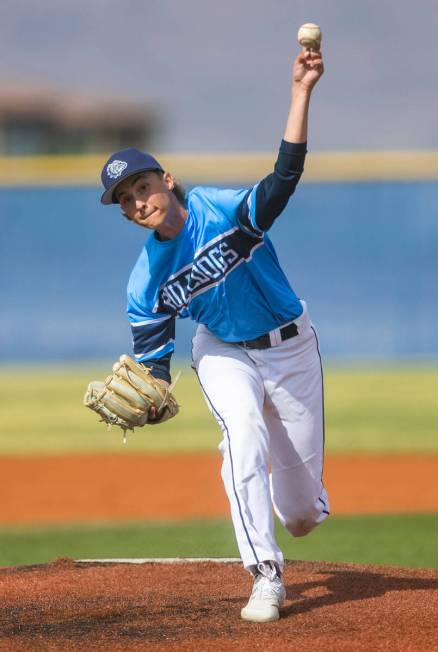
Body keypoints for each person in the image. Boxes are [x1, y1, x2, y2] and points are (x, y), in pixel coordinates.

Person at [99, 46, 328, 623]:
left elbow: (282, 182)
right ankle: (265, 575)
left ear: (166, 180)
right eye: (125, 200)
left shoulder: (216, 209)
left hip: (292, 346)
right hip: (224, 352)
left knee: (300, 515)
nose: (137, 201)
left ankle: (282, 507)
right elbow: (154, 366)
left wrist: (300, 92)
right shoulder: (144, 283)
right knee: (242, 438)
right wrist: (150, 399)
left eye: (142, 186)